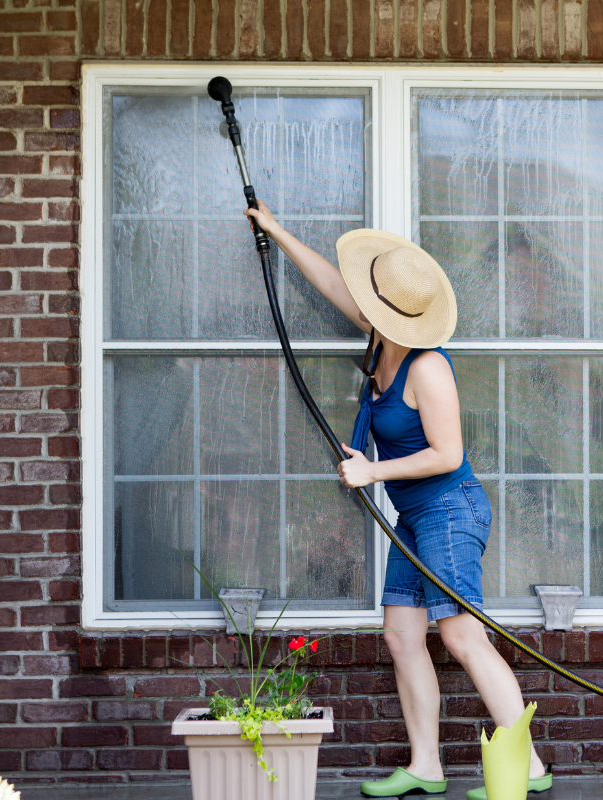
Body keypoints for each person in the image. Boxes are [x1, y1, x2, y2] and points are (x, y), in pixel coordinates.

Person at [245, 204, 552, 799]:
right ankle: (426, 766)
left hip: (449, 508)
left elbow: (447, 453)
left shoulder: (427, 366)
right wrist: (277, 229)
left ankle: (529, 769)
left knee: (462, 636)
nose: (358, 298)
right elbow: (330, 283)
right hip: (416, 515)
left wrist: (371, 471)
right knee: (402, 636)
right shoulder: (381, 336)